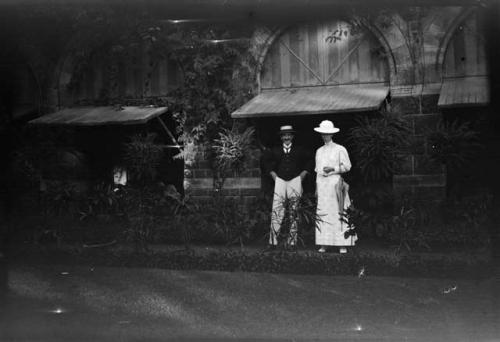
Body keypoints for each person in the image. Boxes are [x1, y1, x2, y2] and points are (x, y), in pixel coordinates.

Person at [263, 125, 313, 249]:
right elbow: (267, 164)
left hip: (295, 180)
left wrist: (303, 174)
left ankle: (292, 242)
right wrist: (275, 177)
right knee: (277, 209)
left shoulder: (299, 150)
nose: (286, 137)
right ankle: (273, 242)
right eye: (284, 135)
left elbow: (310, 160)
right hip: (280, 181)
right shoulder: (275, 150)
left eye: (289, 135)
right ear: (281, 137)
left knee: (294, 211)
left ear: (292, 136)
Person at [313, 120, 357, 253]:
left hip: (335, 184)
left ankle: (341, 244)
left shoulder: (339, 149)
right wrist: (316, 188)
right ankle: (324, 243)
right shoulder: (319, 151)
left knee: (339, 212)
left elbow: (347, 166)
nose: (325, 136)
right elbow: (317, 171)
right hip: (322, 185)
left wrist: (333, 168)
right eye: (323, 133)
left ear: (332, 134)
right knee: (324, 213)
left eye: (327, 134)